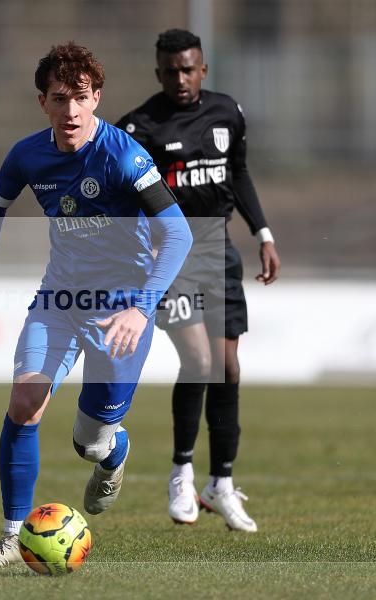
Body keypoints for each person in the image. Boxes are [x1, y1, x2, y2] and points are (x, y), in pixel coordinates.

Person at [0, 42, 192, 565]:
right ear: (43, 102)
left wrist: (141, 307)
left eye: (81, 98)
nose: (71, 112)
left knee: (92, 440)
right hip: (58, 301)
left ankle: (112, 454)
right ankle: (14, 537)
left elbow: (178, 235)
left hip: (122, 312)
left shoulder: (124, 155)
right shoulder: (27, 155)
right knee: (24, 404)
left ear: (97, 97)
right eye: (59, 99)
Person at [117, 29, 281, 532]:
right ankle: (181, 472)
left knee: (228, 367)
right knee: (199, 360)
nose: (180, 79)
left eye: (188, 69)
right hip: (170, 257)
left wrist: (264, 234)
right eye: (170, 70)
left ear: (203, 68)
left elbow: (240, 173)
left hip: (218, 251)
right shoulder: (138, 127)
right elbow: (125, 201)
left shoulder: (227, 112)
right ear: (159, 73)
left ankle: (222, 484)